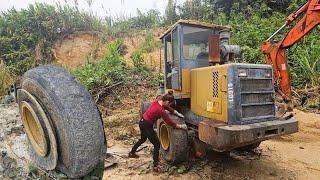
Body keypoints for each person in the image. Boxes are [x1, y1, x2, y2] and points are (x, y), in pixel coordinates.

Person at [128, 93, 187, 172]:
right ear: (166, 101)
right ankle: (155, 166)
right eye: (169, 103)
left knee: (143, 139)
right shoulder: (160, 111)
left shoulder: (157, 101)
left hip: (142, 122)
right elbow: (170, 123)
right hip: (146, 126)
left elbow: (167, 107)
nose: (169, 105)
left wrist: (175, 112)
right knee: (157, 144)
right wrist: (181, 126)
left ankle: (132, 152)